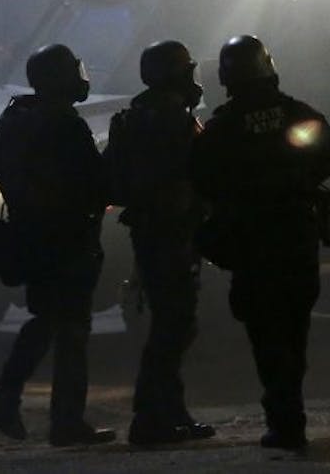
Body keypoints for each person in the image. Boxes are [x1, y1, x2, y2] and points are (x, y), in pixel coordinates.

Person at [189, 34, 330, 451]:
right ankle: (292, 416)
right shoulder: (297, 113)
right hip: (296, 237)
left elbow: (202, 179)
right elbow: (325, 159)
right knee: (295, 329)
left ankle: (284, 419)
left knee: (266, 334)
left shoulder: (222, 127)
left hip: (252, 244)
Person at [0, 44, 114, 447]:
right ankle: (65, 421)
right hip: (66, 237)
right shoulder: (63, 124)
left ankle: (9, 394)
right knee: (71, 327)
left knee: (49, 320)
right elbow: (94, 181)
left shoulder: (18, 117)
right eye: (74, 70)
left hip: (32, 234)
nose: (81, 77)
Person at [105, 40, 215, 446]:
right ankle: (150, 417)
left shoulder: (131, 118)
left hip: (150, 232)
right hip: (172, 233)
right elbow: (199, 175)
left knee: (172, 324)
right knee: (174, 327)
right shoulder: (174, 121)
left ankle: (171, 412)